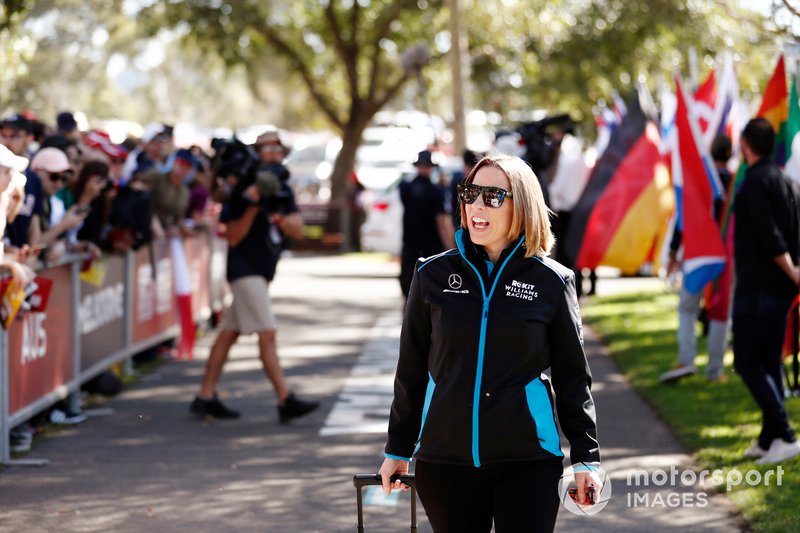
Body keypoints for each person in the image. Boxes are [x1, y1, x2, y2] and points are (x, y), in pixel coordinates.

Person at [379, 154, 601, 531]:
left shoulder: (552, 280)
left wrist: (586, 458)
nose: (476, 205)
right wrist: (398, 447)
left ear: (522, 205)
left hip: (528, 460)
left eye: (493, 196)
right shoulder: (431, 274)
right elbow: (411, 369)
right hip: (445, 460)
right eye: (470, 193)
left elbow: (572, 376)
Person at [190, 131, 319, 423]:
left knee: (228, 333)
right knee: (268, 332)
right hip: (244, 270)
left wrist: (276, 214)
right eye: (267, 148)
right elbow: (233, 237)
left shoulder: (280, 184)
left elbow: (297, 228)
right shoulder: (240, 189)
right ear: (256, 152)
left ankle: (205, 396)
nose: (273, 153)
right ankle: (285, 399)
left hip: (261, 269)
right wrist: (253, 202)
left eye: (278, 148)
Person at [732, 118, 800, 464]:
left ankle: (786, 435)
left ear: (745, 144)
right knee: (769, 361)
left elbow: (768, 234)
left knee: (746, 361)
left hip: (759, 287)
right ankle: (769, 438)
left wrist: (791, 270)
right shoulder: (786, 181)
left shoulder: (755, 182)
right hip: (780, 288)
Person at [660, 134, 734, 384]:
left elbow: (684, 220)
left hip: (698, 256)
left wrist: (673, 253)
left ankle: (687, 359)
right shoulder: (735, 182)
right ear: (730, 153)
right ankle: (715, 371)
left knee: (687, 309)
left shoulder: (701, 182)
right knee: (720, 313)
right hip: (726, 256)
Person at [398, 150, 454, 298]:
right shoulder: (436, 191)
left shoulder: (405, 187)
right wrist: (451, 248)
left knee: (408, 284)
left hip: (410, 242)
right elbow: (442, 222)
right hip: (431, 245)